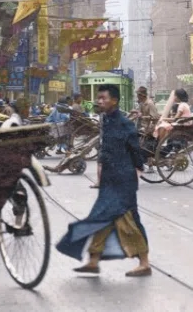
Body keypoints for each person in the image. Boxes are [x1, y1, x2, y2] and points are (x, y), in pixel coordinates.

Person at [57, 84, 151, 278]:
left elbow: (135, 151)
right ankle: (93, 260)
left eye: (103, 98)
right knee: (101, 218)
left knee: (129, 221)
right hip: (109, 179)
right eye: (98, 98)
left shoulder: (125, 124)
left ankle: (144, 263)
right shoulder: (105, 120)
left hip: (123, 180)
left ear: (114, 101)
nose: (99, 101)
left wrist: (138, 169)